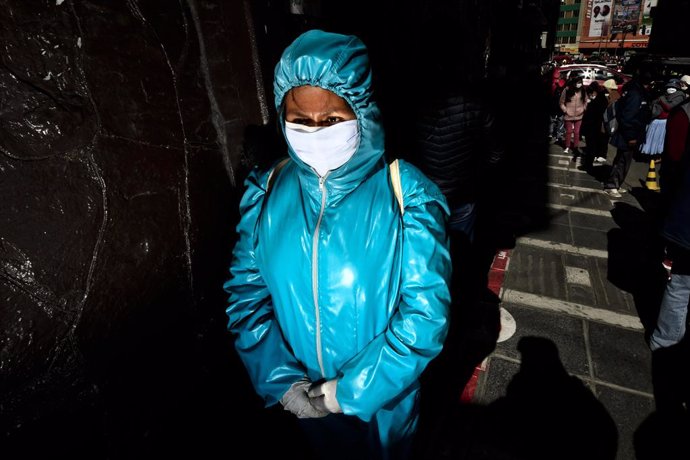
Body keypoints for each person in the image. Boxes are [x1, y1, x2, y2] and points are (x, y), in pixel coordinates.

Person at [223, 29, 452, 460]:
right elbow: (246, 297)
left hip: (385, 409)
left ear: (361, 112)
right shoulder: (266, 193)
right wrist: (281, 381)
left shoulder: (406, 196)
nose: (315, 132)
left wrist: (345, 394)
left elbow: (425, 316)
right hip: (306, 406)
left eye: (330, 119)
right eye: (300, 120)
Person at [604, 73, 652, 198]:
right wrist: (631, 136)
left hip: (630, 132)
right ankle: (612, 185)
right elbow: (628, 117)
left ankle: (616, 184)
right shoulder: (636, 94)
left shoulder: (632, 90)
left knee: (624, 160)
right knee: (622, 160)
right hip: (628, 134)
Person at [580, 81, 608, 169]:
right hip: (593, 128)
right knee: (591, 147)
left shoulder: (599, 101)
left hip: (594, 128)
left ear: (594, 91)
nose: (589, 95)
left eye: (590, 93)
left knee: (591, 147)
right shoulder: (600, 99)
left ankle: (588, 165)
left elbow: (592, 116)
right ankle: (589, 164)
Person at [559, 76, 588, 157]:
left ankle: (575, 147)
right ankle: (567, 146)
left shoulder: (583, 90)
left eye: (580, 83)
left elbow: (585, 101)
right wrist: (565, 110)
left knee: (577, 132)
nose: (579, 84)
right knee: (568, 132)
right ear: (574, 83)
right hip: (569, 114)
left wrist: (583, 109)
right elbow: (561, 102)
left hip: (579, 115)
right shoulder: (567, 90)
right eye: (578, 83)